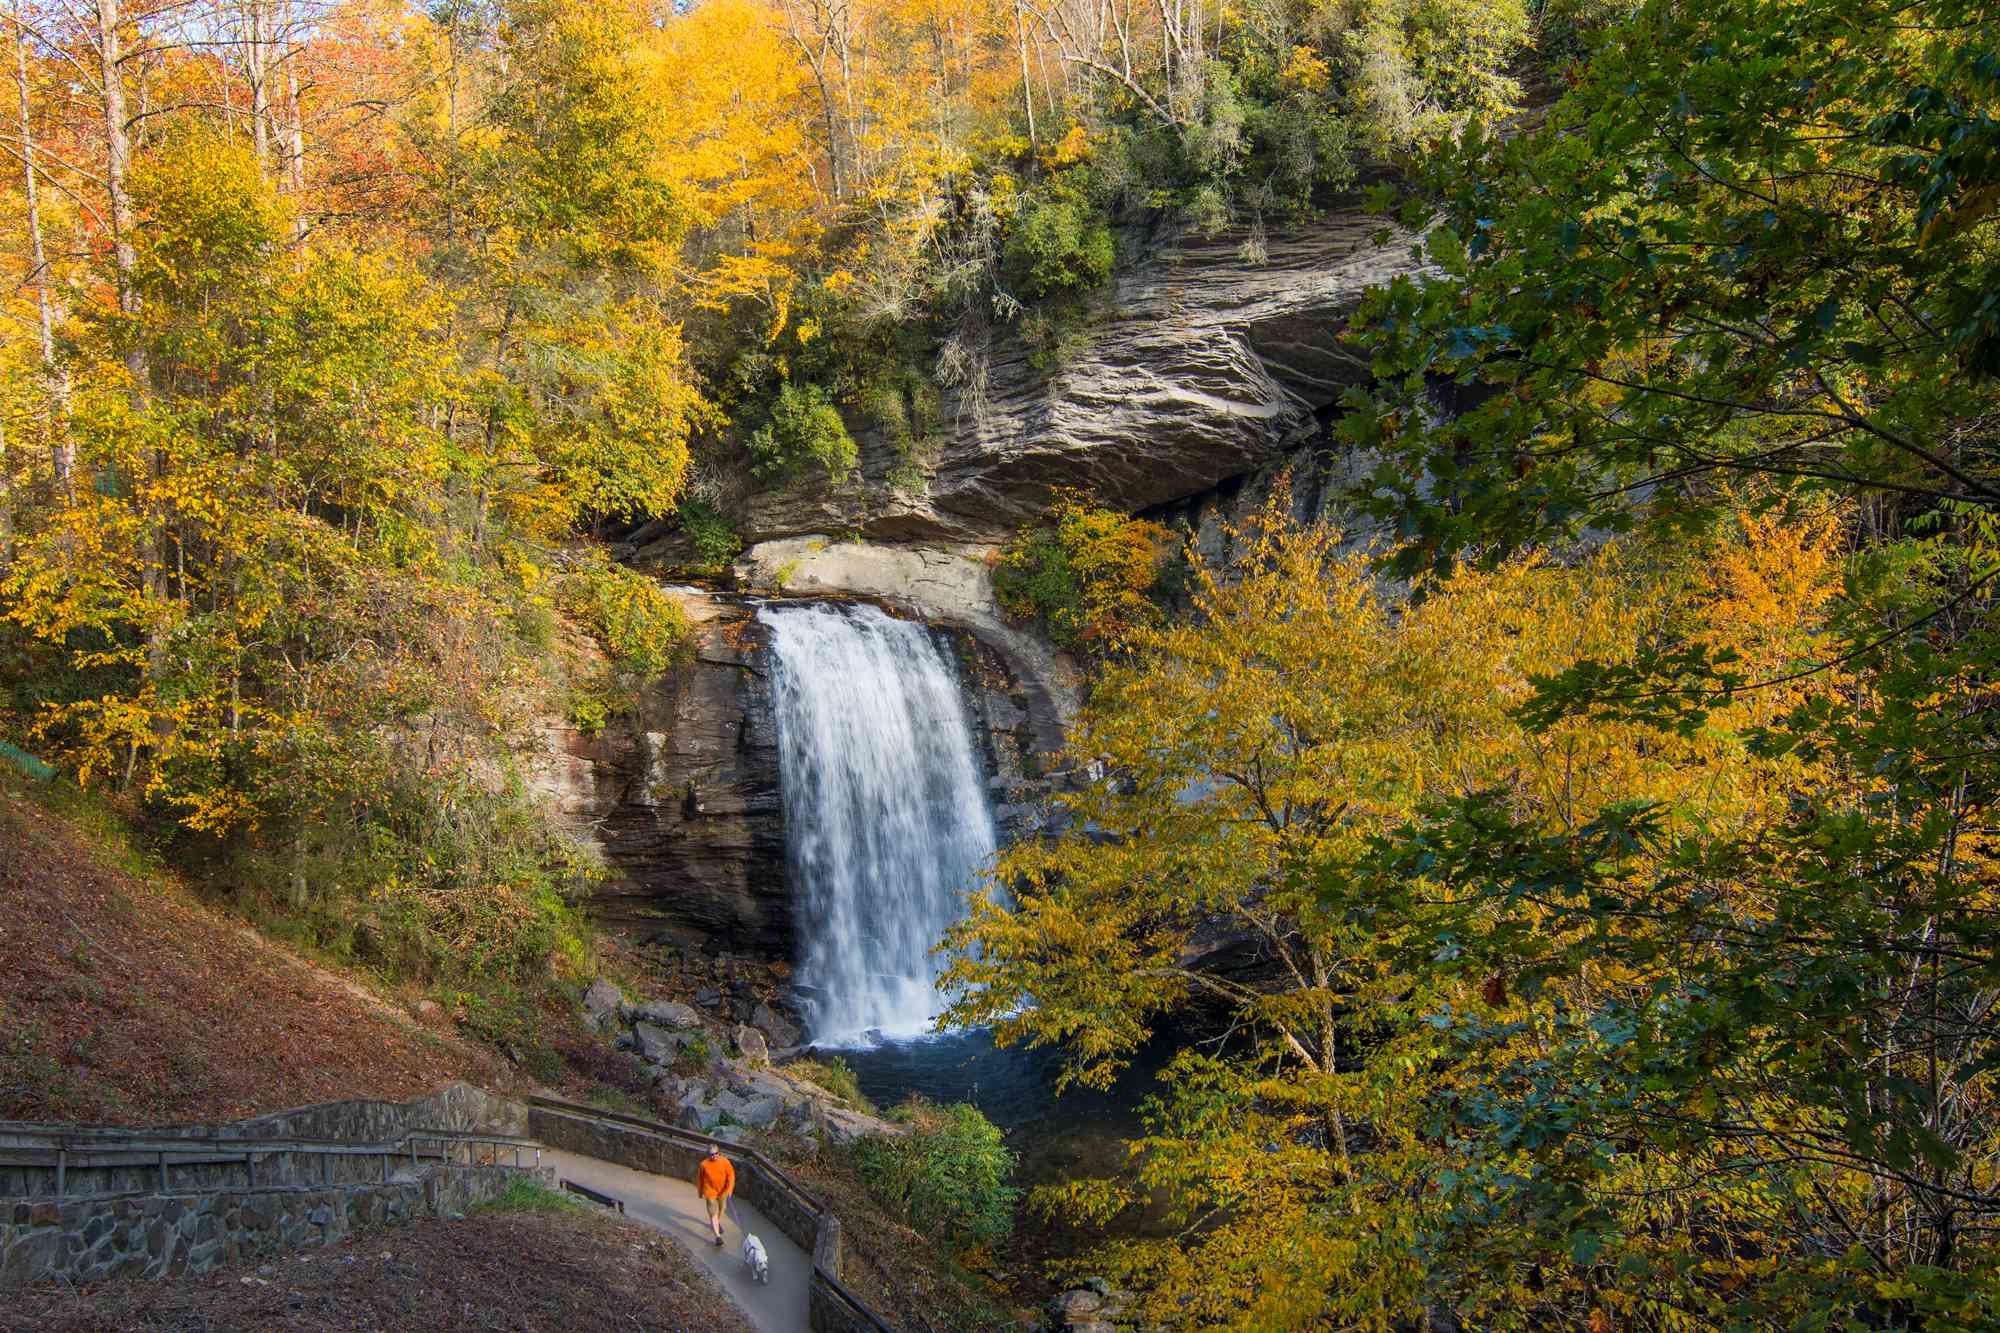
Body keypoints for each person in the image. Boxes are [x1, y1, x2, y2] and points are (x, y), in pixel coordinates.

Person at [695, 1143, 736, 1247]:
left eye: (715, 1154)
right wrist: (700, 1192)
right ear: (707, 1154)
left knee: (722, 1209)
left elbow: (731, 1175)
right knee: (713, 1213)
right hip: (710, 1191)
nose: (713, 1156)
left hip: (723, 1190)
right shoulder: (703, 1164)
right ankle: (718, 1236)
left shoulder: (725, 1161)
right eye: (710, 1154)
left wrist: (730, 1189)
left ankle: (717, 1223)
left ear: (719, 1153)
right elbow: (699, 1179)